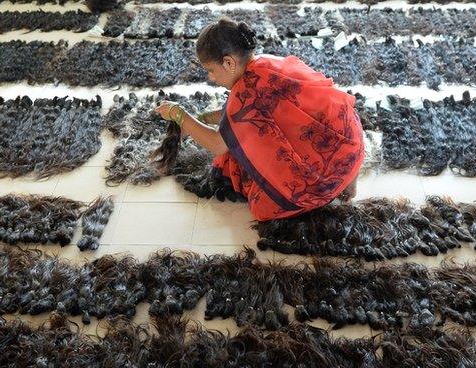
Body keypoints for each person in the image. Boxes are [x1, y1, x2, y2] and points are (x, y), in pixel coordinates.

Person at [155, 18, 364, 221]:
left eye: (211, 70)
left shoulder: (244, 93)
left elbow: (218, 144)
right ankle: (347, 182)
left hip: (320, 183)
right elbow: (240, 114)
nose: (211, 78)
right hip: (350, 150)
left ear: (228, 63)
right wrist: (203, 118)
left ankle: (327, 190)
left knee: (256, 194)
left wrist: (179, 114)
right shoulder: (266, 63)